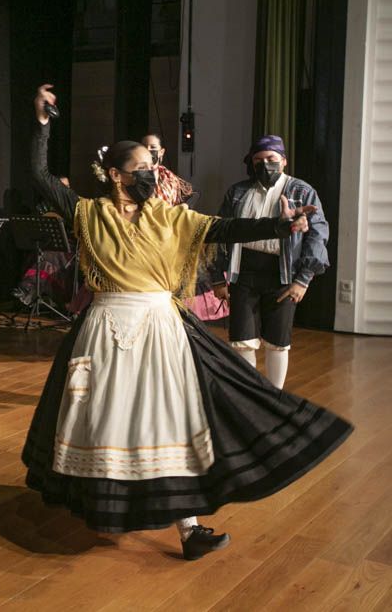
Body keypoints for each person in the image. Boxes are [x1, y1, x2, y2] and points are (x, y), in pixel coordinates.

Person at [22, 84, 351, 560]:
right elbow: (37, 174)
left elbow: (226, 227)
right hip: (104, 330)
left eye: (153, 169)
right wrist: (41, 124)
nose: (152, 176)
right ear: (115, 175)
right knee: (104, 424)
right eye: (142, 169)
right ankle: (104, 506)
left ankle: (189, 527)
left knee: (167, 422)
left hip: (160, 328)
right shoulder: (87, 213)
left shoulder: (172, 219)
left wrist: (280, 226)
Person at [211, 134, 329, 389]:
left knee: (278, 340)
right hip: (243, 272)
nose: (265, 164)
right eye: (258, 160)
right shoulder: (238, 192)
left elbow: (318, 235)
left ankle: (275, 396)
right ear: (251, 163)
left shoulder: (302, 191)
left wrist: (303, 279)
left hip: (283, 274)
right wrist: (218, 278)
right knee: (242, 339)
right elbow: (221, 232)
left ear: (284, 161)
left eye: (271, 159)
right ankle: (251, 393)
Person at [142, 132, 227, 322]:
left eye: (153, 149)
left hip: (170, 242)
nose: (149, 152)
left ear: (161, 152)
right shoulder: (133, 178)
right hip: (143, 241)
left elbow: (187, 202)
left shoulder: (172, 180)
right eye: (145, 148)